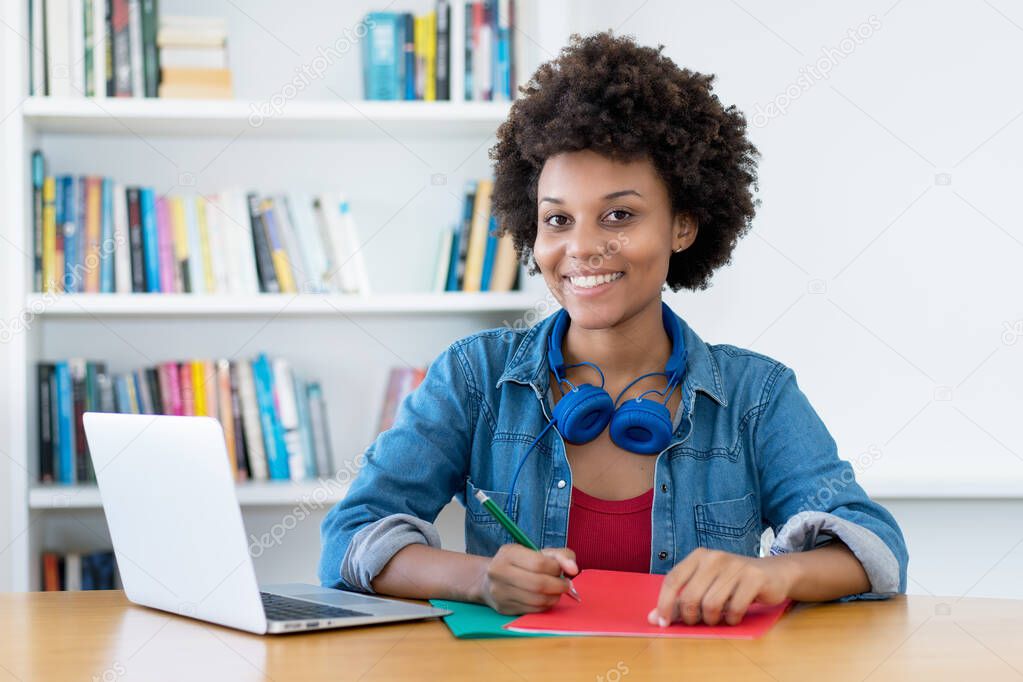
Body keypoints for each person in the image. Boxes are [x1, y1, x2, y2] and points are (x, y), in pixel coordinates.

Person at [319, 30, 908, 627]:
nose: (582, 248)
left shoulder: (756, 396)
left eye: (619, 215)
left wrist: (769, 573)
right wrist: (477, 579)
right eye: (558, 219)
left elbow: (875, 548)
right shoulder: (477, 377)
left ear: (682, 225)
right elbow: (349, 539)